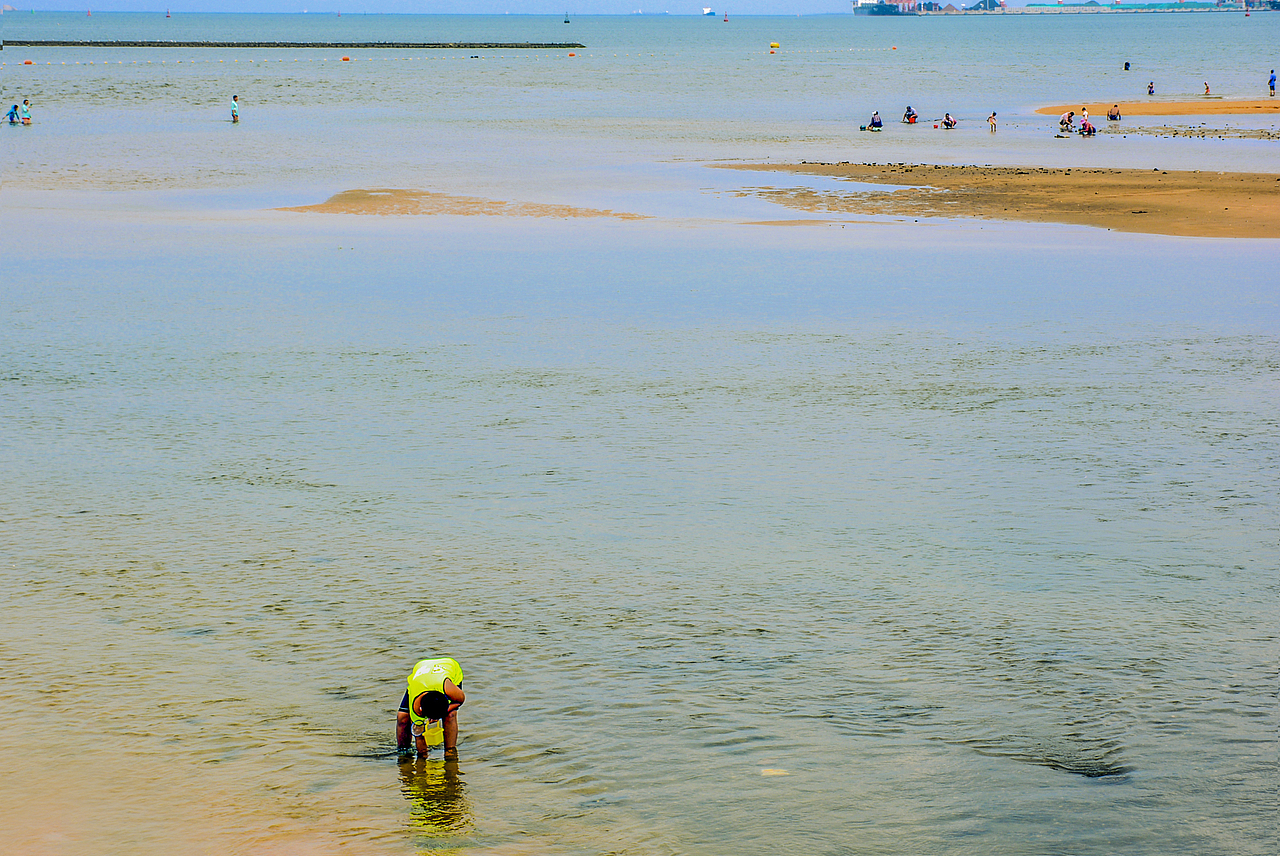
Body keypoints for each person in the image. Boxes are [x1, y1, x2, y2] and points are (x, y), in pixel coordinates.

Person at [397, 657, 465, 756]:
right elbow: (419, 737)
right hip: (421, 671)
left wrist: (443, 712)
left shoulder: (446, 687)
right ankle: (403, 753)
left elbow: (461, 700)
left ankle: (450, 753)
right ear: (421, 710)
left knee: (450, 715)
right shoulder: (415, 709)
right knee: (402, 717)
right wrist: (423, 757)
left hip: (448, 666)